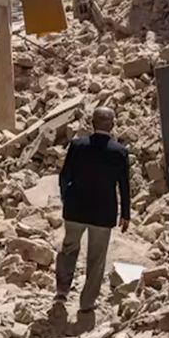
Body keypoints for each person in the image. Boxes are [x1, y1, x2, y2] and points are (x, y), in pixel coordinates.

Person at [53, 106, 131, 315]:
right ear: (112, 125)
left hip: (75, 210)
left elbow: (64, 176)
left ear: (92, 124)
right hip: (103, 214)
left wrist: (65, 197)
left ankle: (61, 291)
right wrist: (126, 214)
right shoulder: (119, 152)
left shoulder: (78, 145)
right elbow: (124, 185)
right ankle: (87, 303)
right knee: (96, 259)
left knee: (68, 249)